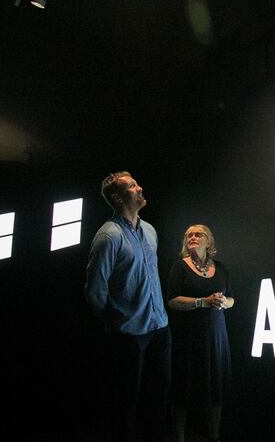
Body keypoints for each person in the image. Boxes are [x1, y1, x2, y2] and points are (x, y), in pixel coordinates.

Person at [84, 171, 171, 442]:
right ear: (118, 198)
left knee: (158, 398)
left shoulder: (150, 231)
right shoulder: (108, 237)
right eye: (133, 186)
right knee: (127, 405)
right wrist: (117, 319)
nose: (140, 188)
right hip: (129, 335)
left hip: (160, 329)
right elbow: (95, 289)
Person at [167, 224, 235, 442]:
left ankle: (214, 436)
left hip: (216, 337)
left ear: (209, 242)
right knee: (183, 387)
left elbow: (232, 298)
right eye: (188, 235)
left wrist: (225, 302)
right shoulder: (179, 267)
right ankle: (179, 436)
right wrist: (202, 302)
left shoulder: (221, 268)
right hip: (188, 338)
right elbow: (173, 300)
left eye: (198, 234)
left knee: (216, 386)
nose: (192, 237)